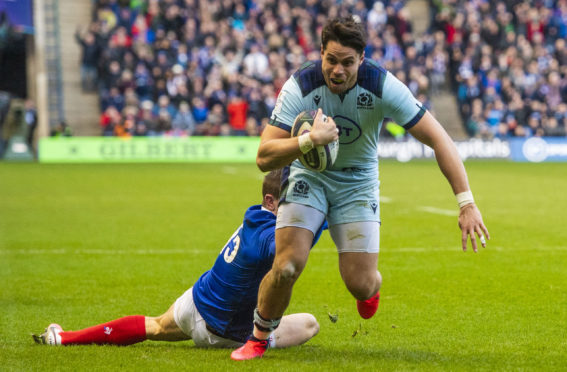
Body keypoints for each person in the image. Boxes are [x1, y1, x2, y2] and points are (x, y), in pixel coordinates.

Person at [231, 16, 490, 361]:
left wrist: (466, 202)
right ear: (321, 53)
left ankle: (370, 288)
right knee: (288, 264)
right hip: (310, 177)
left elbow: (438, 138)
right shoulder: (300, 86)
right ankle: (259, 336)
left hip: (358, 183)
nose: (338, 71)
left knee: (360, 283)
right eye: (331, 60)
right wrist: (309, 140)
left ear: (362, 59)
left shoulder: (383, 86)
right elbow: (264, 156)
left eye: (347, 63)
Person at [33, 170, 321, 350]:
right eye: (292, 199)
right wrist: (322, 218)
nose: (299, 206)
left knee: (154, 326)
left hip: (194, 302)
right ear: (271, 202)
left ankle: (65, 338)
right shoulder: (266, 238)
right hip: (223, 331)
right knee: (310, 323)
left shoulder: (254, 215)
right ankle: (254, 342)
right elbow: (289, 250)